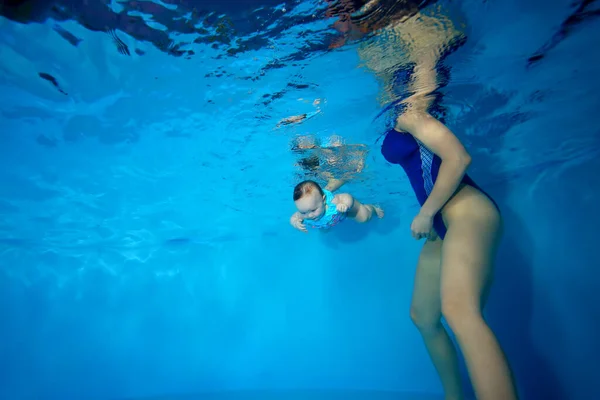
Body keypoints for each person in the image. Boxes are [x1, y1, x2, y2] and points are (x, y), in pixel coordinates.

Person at [327, 1, 519, 399]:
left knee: (459, 313)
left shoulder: (413, 112)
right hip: (441, 224)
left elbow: (459, 157)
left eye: (345, 17)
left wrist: (427, 213)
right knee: (423, 317)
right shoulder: (395, 106)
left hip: (466, 211)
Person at [290, 179, 383, 232]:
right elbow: (294, 217)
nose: (309, 215)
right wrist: (295, 222)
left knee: (365, 218)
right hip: (332, 219)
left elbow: (347, 196)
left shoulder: (333, 202)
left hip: (345, 212)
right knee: (324, 230)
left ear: (323, 200)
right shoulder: (305, 211)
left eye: (313, 210)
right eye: (303, 212)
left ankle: (373, 208)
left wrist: (345, 205)